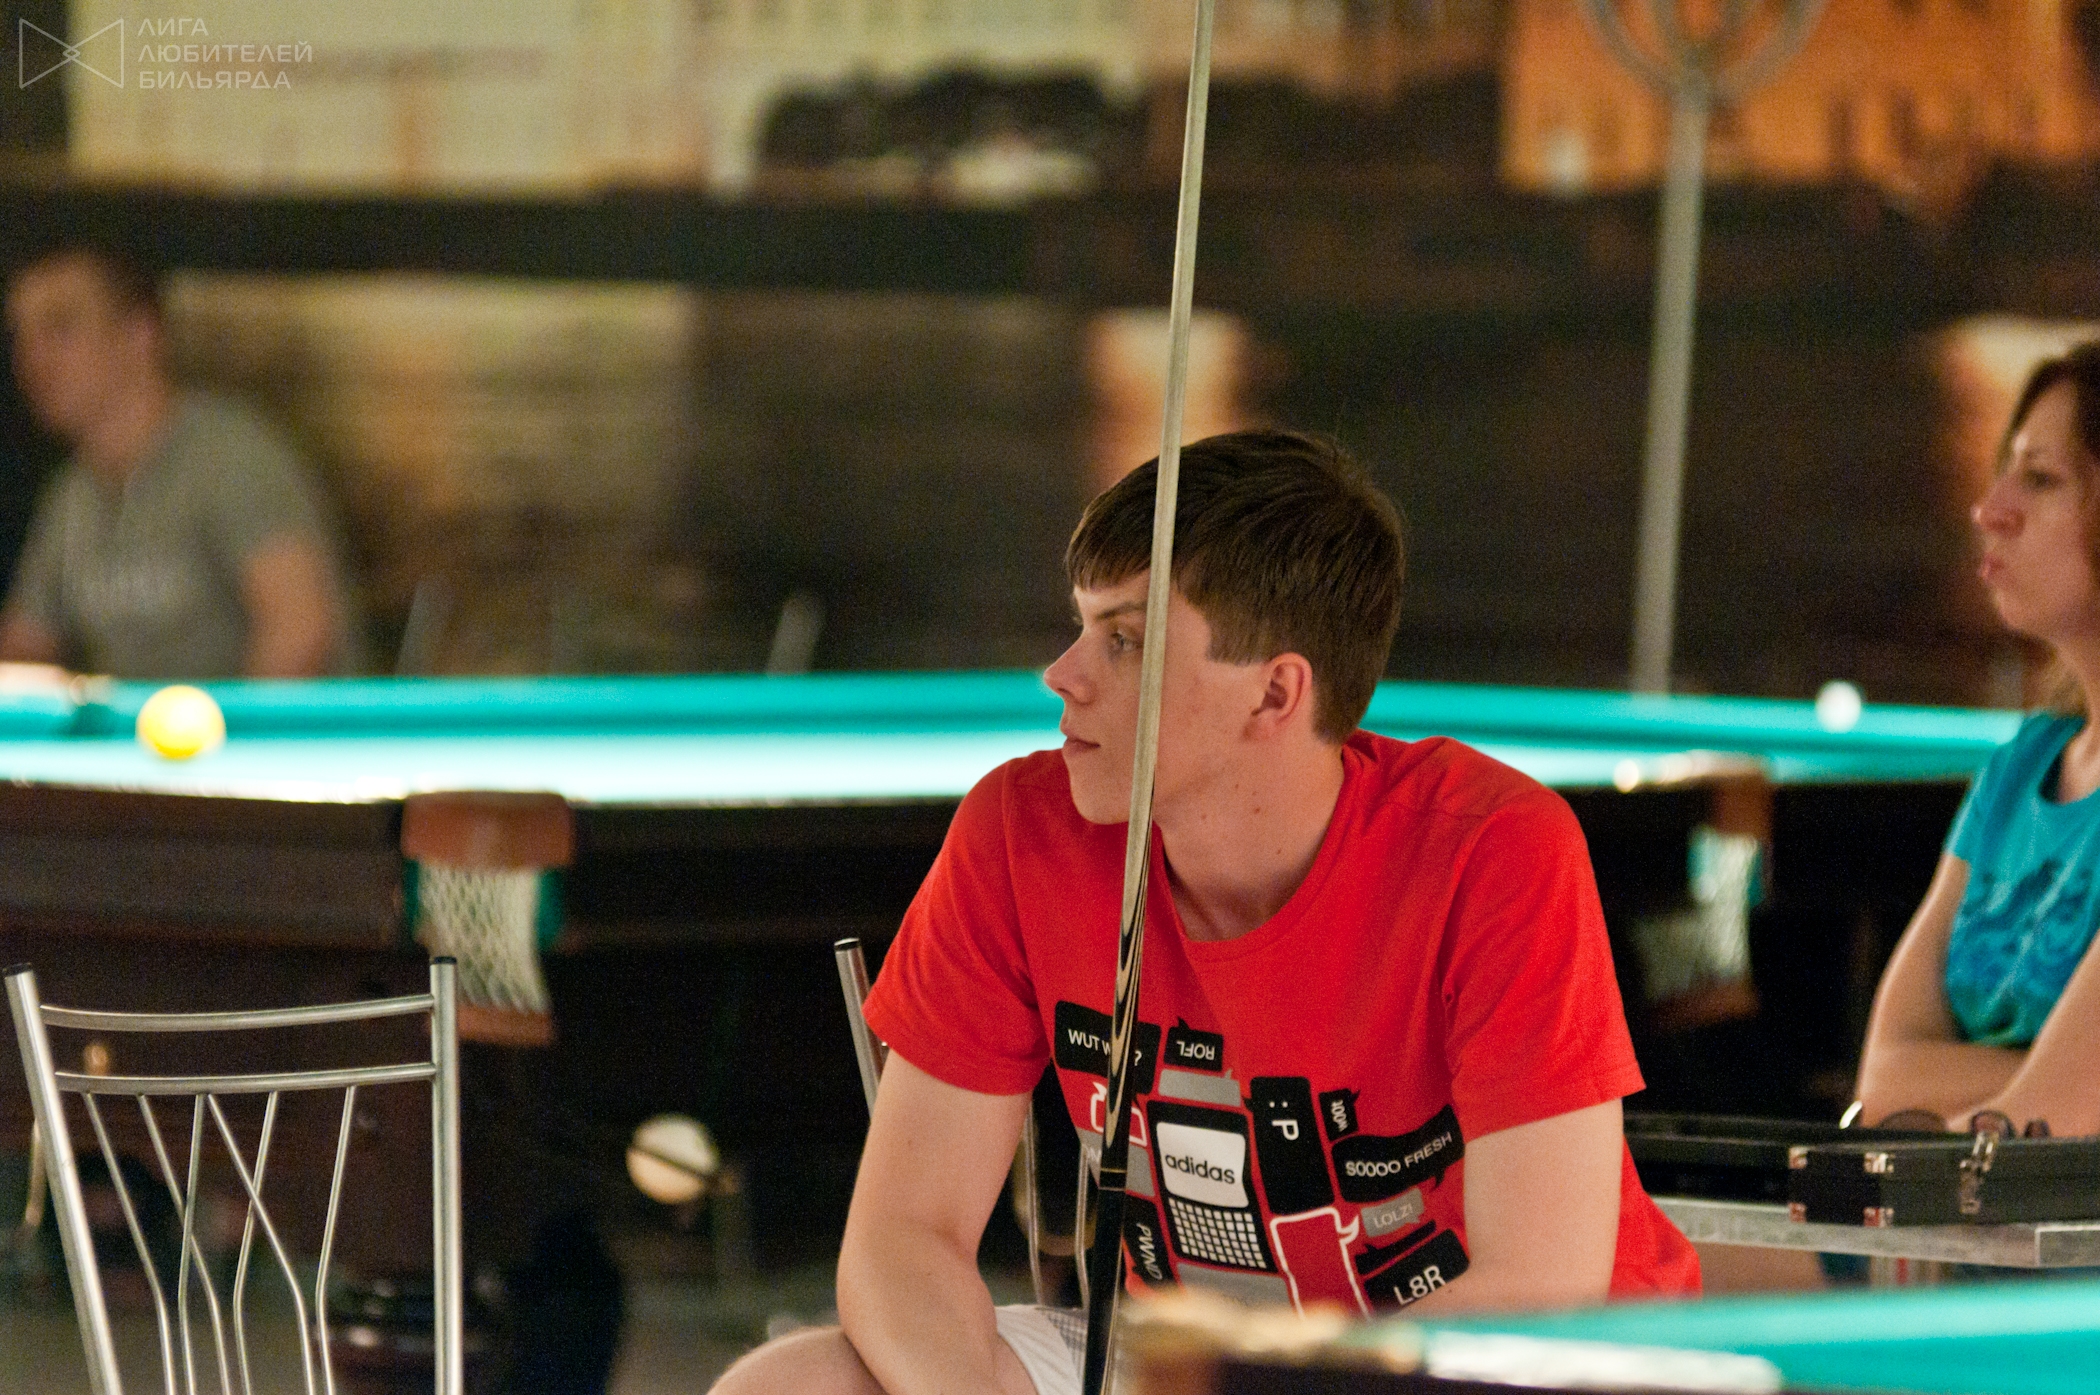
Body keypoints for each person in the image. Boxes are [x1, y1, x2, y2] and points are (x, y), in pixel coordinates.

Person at [714, 430, 1697, 1395]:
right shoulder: (1020, 831)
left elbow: (1537, 1295)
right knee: (789, 1383)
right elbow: (904, 1238)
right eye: (1082, 626)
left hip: (1497, 1369)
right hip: (1190, 1365)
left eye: (1124, 640)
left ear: (1274, 693)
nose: (1063, 673)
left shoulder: (1493, 849)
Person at [1856, 344, 2100, 1139]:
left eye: (2041, 477)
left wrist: (2044, 1092)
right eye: (2006, 471)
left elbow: (2053, 1121)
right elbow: (1883, 1079)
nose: (1990, 508)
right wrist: (2037, 1078)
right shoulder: (2021, 765)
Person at [1, 238, 350, 678]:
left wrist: (230, 723)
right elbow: (23, 647)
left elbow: (300, 630)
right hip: (139, 724)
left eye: (60, 327)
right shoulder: (73, 495)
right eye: (20, 335)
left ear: (140, 334)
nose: (32, 358)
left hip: (264, 723)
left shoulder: (230, 454)